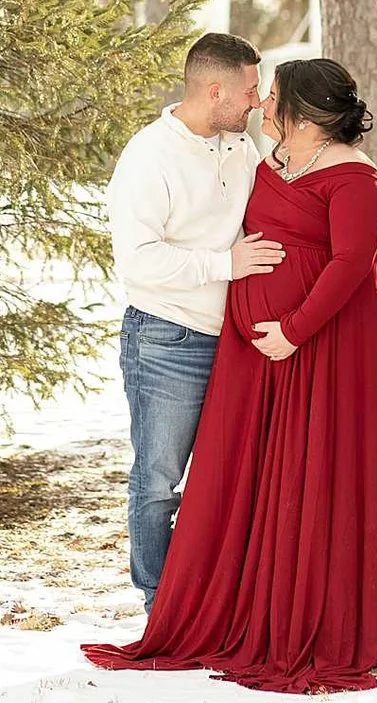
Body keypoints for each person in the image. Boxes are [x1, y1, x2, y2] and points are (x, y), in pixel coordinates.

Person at [84, 58, 377, 694]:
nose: (262, 104)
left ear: (304, 115)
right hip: (242, 352)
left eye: (272, 95)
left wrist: (294, 329)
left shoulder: (352, 178)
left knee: (312, 477)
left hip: (321, 351)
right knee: (227, 478)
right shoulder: (262, 158)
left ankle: (303, 617)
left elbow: (350, 265)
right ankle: (188, 606)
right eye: (259, 91)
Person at [103, 32, 281, 610]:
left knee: (225, 481)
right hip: (166, 339)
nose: (257, 101)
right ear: (215, 91)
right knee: (159, 480)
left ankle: (213, 603)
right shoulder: (149, 156)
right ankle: (160, 604)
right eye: (250, 90)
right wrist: (224, 264)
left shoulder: (241, 146)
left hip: (234, 339)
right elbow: (138, 260)